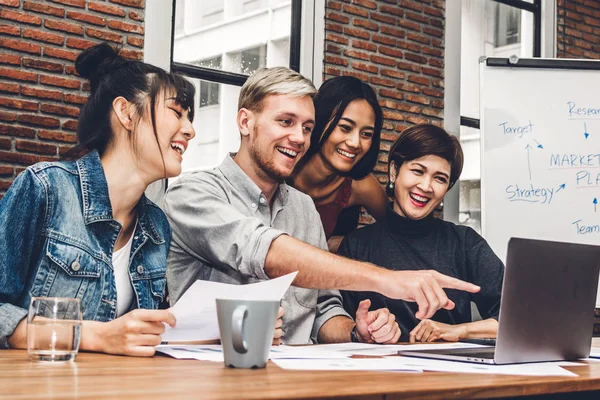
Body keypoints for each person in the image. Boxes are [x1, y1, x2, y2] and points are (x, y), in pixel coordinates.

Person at [164, 67, 480, 345]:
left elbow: (324, 311)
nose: (299, 138)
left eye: (306, 127)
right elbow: (264, 251)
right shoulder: (192, 193)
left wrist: (358, 331)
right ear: (245, 122)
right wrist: (388, 279)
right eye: (285, 121)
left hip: (301, 381)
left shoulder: (304, 208)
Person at [0, 43, 196, 356]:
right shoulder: (46, 188)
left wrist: (218, 330)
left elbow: (141, 337)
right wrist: (93, 336)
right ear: (126, 112)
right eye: (176, 113)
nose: (190, 130)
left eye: (189, 118)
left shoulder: (156, 226)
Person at [338, 124, 504, 343]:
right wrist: (363, 330)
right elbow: (333, 320)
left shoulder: (464, 243)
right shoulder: (356, 246)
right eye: (418, 171)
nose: (426, 186)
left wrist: (459, 330)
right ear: (394, 171)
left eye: (440, 178)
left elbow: (518, 318)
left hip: (448, 373)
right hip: (377, 373)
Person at [291, 76, 387, 253]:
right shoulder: (284, 167)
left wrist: (350, 242)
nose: (355, 143)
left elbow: (403, 232)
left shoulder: (361, 186)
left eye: (366, 134)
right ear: (320, 121)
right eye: (345, 127)